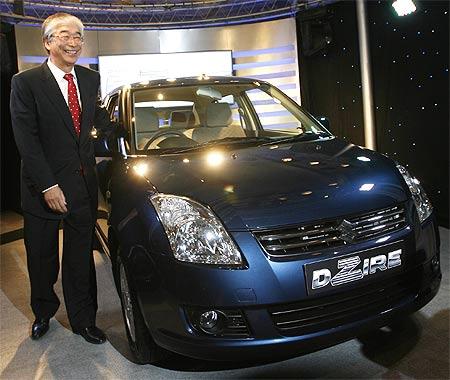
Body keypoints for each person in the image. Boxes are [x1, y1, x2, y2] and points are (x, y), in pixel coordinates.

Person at [10, 12, 112, 344]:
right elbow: (27, 140)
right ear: (48, 42)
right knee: (42, 257)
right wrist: (48, 186)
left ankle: (84, 320)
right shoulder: (25, 83)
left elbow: (95, 121)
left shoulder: (89, 78)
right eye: (66, 36)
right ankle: (43, 312)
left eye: (79, 37)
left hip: (82, 185)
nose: (74, 42)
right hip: (43, 187)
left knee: (80, 258)